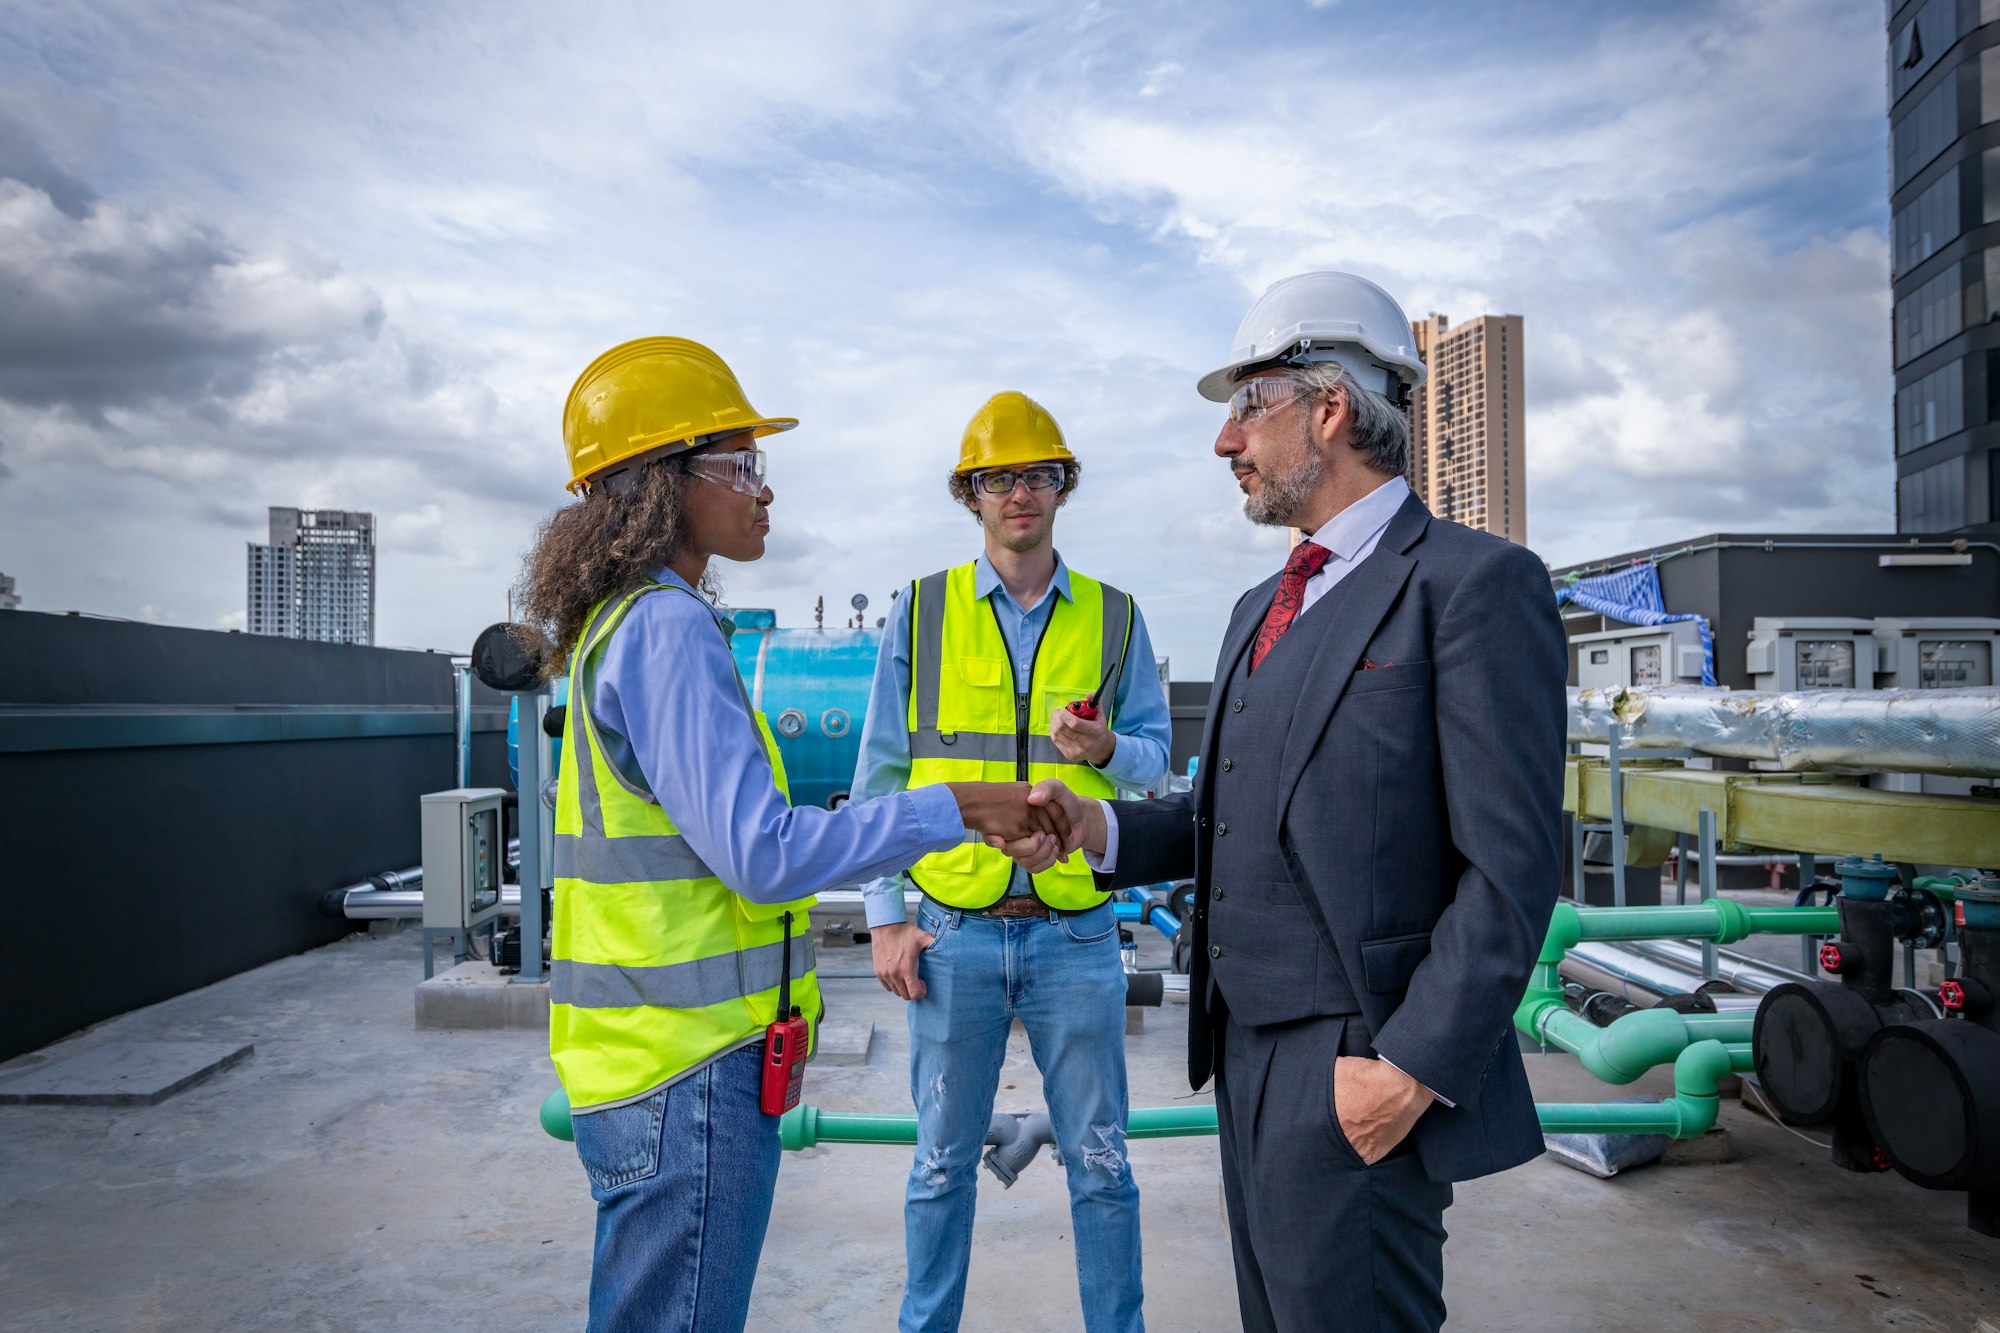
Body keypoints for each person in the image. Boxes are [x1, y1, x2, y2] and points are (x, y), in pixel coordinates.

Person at [999, 274, 1566, 1332]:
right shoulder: (1260, 605)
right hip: (1246, 1049)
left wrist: (1407, 1070)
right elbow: (1229, 812)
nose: (1224, 442)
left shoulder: (1471, 585)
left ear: (1329, 407)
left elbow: (1514, 864)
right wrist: (1094, 825)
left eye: (1245, 406)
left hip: (1360, 1058)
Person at [515, 338, 1069, 1333]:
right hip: (685, 1073)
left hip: (640, 1061)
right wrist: (957, 808)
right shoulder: (664, 629)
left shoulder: (618, 623)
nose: (760, 491)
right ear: (661, 485)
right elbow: (763, 857)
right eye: (739, 464)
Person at [850, 391, 1172, 1333]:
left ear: (1062, 489)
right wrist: (884, 914)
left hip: (1078, 935)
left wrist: (1108, 750)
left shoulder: (1116, 620)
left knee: (1104, 1169)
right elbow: (881, 777)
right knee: (938, 1169)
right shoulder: (920, 612)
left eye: (1037, 475)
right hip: (952, 935)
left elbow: (1152, 758)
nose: (1019, 493)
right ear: (972, 494)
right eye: (999, 478)